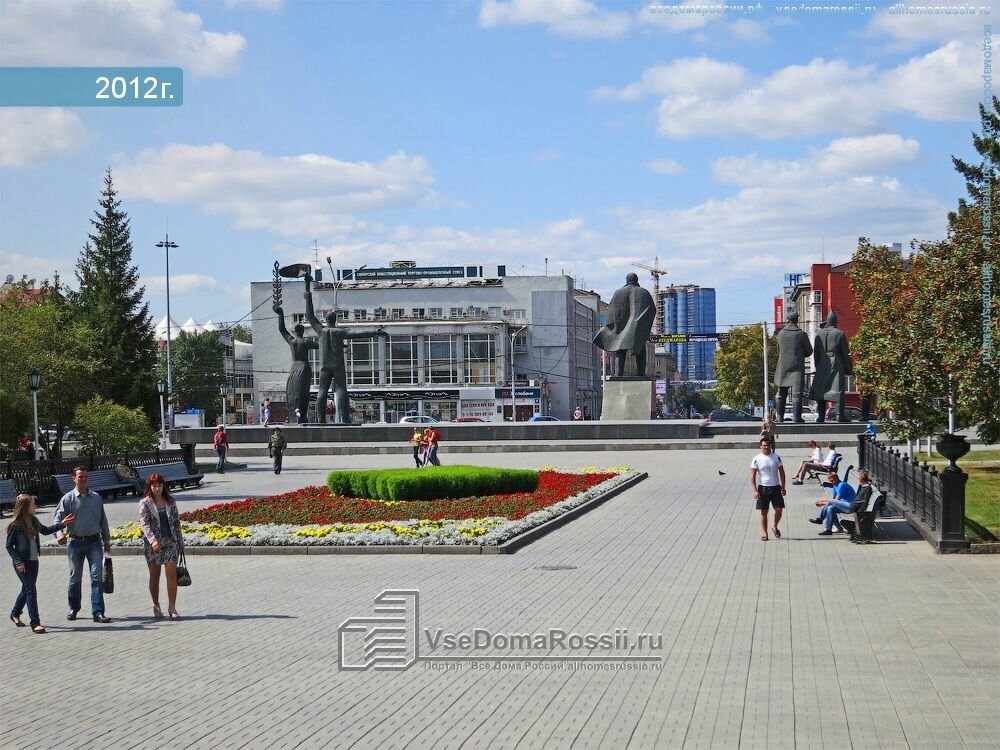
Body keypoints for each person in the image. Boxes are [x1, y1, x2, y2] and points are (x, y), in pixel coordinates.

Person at [304, 274, 388, 424]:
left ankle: (321, 419)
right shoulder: (340, 332)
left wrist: (308, 295)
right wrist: (375, 332)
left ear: (326, 320)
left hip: (324, 366)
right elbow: (357, 334)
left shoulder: (320, 330)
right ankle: (345, 419)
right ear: (335, 320)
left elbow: (310, 316)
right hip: (338, 365)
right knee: (341, 389)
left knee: (322, 391)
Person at [6, 494, 75, 633]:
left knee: (27, 589)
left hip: (33, 562)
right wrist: (18, 561)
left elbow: (45, 530)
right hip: (22, 563)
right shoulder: (16, 525)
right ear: (26, 507)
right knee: (31, 591)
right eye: (33, 504)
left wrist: (62, 524)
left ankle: (15, 613)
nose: (35, 506)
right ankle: (35, 623)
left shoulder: (33, 521)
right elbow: (9, 546)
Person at [53, 466, 112, 623]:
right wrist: (59, 534)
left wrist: (107, 540)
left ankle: (98, 612)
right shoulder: (67, 499)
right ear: (74, 478)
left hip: (94, 542)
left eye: (86, 476)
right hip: (75, 543)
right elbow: (57, 519)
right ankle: (73, 608)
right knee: (75, 577)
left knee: (96, 577)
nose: (84, 479)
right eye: (80, 477)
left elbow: (103, 520)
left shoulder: (96, 498)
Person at [137, 473, 183, 620]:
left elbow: (176, 522)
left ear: (164, 486)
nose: (157, 488)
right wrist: (152, 540)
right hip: (154, 545)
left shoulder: (170, 501)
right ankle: (156, 605)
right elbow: (144, 524)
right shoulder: (145, 503)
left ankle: (172, 607)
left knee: (171, 574)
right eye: (154, 486)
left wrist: (180, 541)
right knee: (155, 576)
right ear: (150, 487)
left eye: (160, 485)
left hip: (170, 542)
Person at [592, 273, 656, 377]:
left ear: (627, 280)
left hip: (622, 328)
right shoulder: (644, 292)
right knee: (641, 350)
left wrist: (612, 327)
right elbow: (652, 310)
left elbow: (612, 310)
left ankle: (618, 374)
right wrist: (643, 326)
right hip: (637, 328)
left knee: (620, 350)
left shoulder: (618, 292)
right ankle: (641, 374)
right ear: (636, 280)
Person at [273, 303, 319, 424]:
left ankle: (295, 416)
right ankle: (301, 416)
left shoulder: (291, 341)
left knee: (293, 391)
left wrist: (280, 314)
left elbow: (282, 329)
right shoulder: (306, 342)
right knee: (303, 392)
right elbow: (322, 345)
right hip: (304, 368)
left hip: (294, 369)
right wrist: (339, 345)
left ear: (295, 331)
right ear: (303, 331)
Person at [810, 310, 853, 422]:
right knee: (838, 389)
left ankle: (821, 417)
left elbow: (816, 354)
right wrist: (848, 368)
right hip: (836, 364)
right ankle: (839, 415)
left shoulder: (819, 334)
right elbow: (846, 353)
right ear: (835, 321)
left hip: (822, 364)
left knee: (821, 390)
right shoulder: (839, 334)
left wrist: (818, 366)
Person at [774, 312, 813, 422]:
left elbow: (778, 350)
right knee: (797, 394)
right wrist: (800, 355)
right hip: (797, 367)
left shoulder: (781, 334)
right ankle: (796, 417)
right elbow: (809, 351)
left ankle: (779, 417)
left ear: (788, 320)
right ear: (797, 320)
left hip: (783, 366)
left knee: (781, 393)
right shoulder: (802, 334)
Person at [750, 437, 786, 541]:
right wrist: (755, 490)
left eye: (768, 445)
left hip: (776, 487)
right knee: (764, 512)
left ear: (770, 446)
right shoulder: (757, 459)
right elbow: (752, 476)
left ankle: (774, 526)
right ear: (760, 446)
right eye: (764, 445)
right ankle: (765, 533)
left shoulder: (776, 457)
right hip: (763, 488)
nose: (766, 447)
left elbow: (782, 472)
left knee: (779, 509)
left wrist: (783, 487)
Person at [810, 470, 857, 535]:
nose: (833, 482)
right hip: (843, 506)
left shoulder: (842, 485)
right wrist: (821, 501)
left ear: (837, 478)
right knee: (830, 508)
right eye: (831, 481)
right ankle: (829, 529)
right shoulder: (835, 485)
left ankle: (820, 519)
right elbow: (833, 499)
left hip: (850, 506)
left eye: (834, 480)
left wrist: (822, 503)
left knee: (830, 503)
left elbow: (835, 500)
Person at [840, 470, 875, 544]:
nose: (858, 480)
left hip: (858, 512)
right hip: (854, 509)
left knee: (833, 504)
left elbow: (865, 501)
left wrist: (859, 512)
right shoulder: (864, 487)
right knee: (835, 511)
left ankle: (855, 534)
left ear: (861, 480)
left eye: (859, 479)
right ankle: (854, 534)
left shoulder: (867, 488)